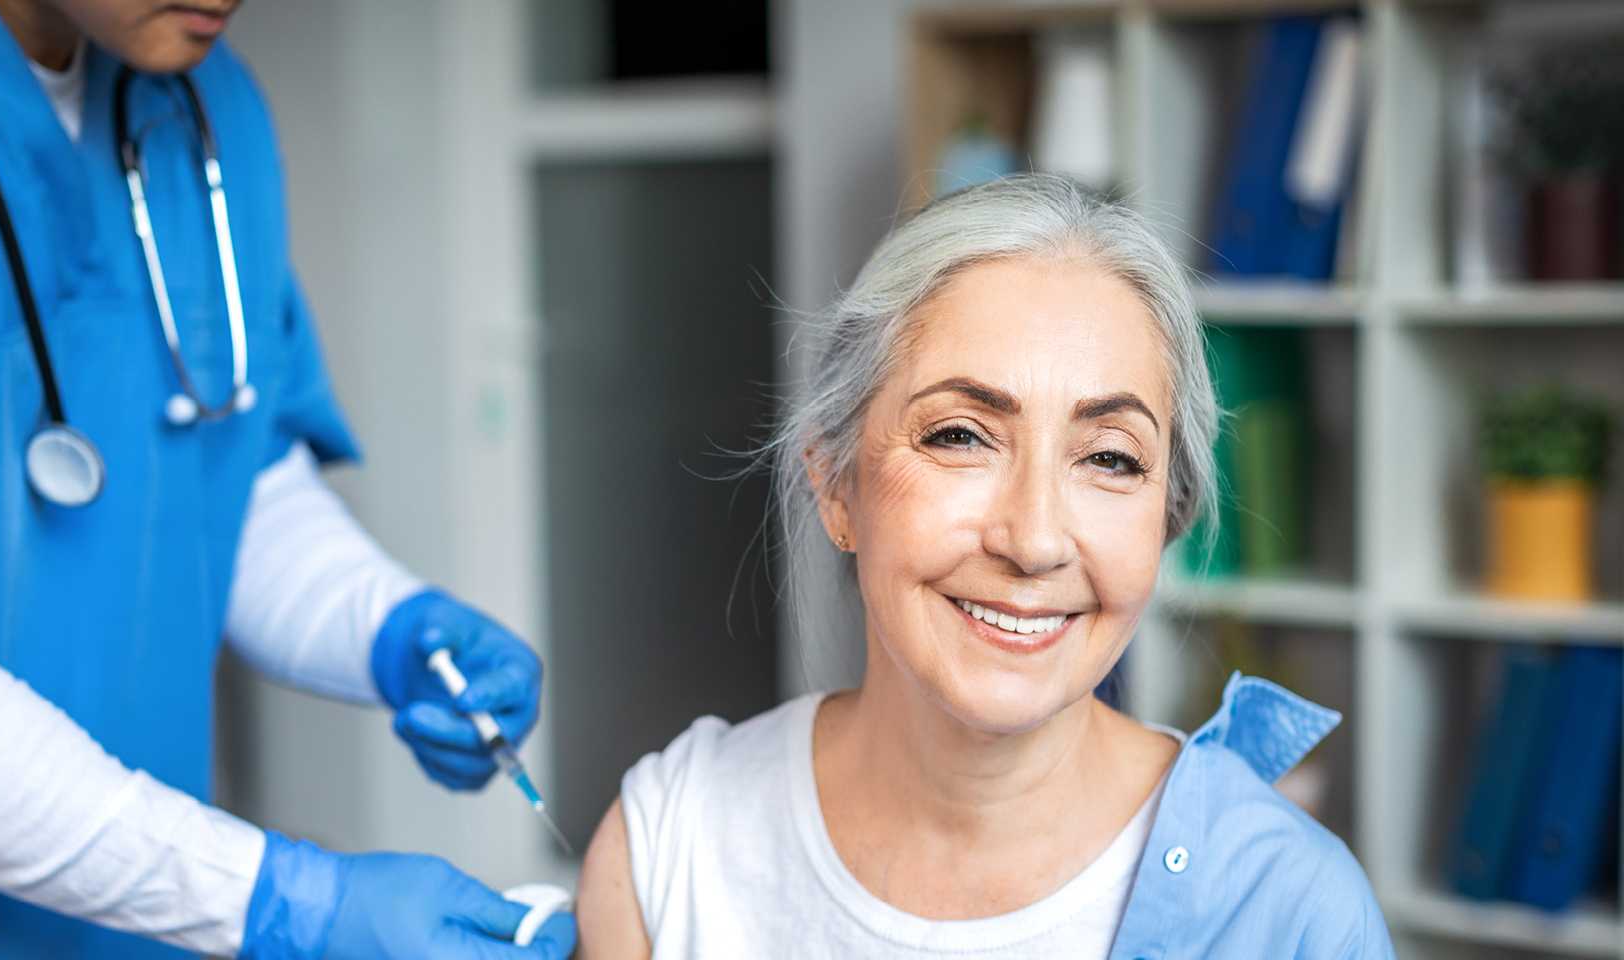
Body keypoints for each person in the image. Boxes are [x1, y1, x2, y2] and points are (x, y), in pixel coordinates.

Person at [0, 0, 573, 958]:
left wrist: (392, 626)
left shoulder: (208, 104)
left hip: (125, 927)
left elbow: (226, 484)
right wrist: (281, 901)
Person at [572, 175, 1393, 959]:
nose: (1034, 541)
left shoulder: (1294, 913)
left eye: (1109, 457)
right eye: (959, 436)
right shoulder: (667, 851)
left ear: (1166, 518)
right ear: (835, 485)